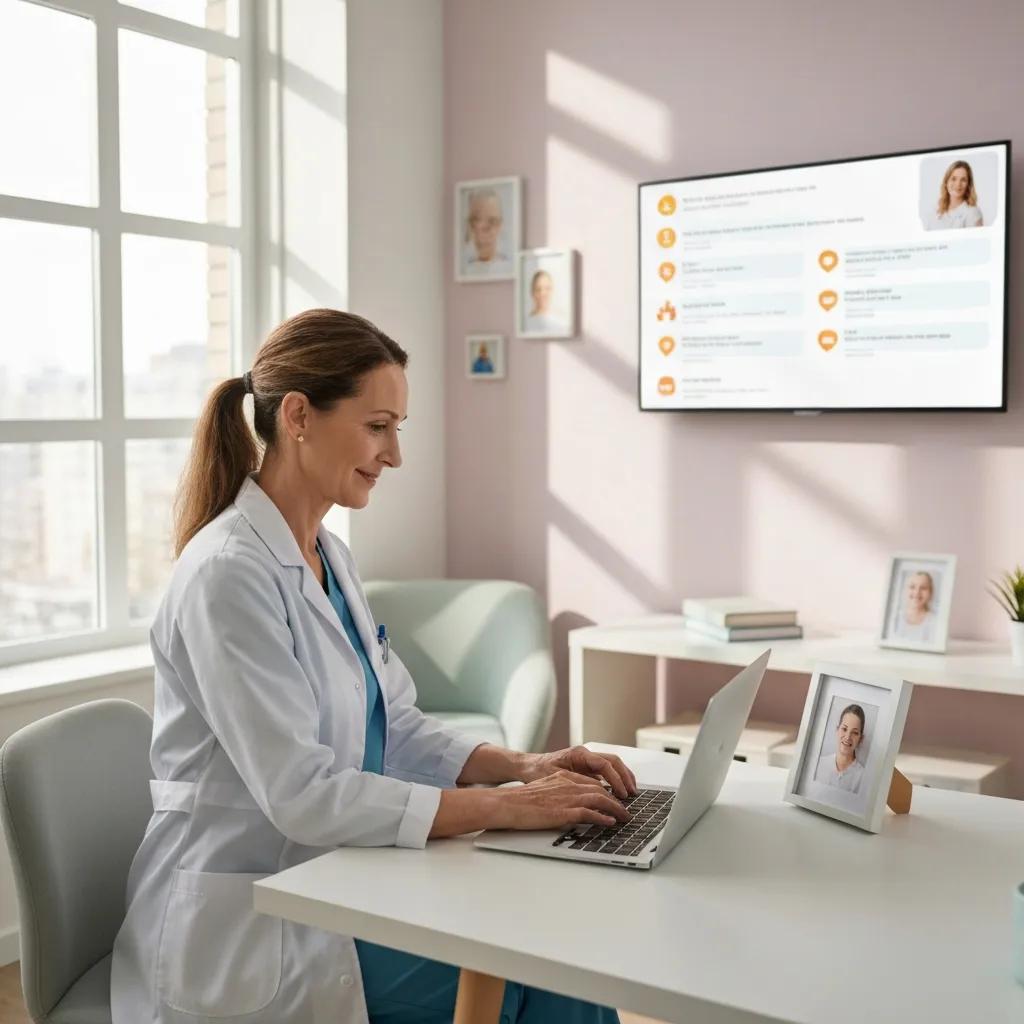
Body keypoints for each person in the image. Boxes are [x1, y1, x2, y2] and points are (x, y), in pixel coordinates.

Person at [110, 308, 632, 1024]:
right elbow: (302, 794)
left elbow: (401, 729)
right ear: (298, 416)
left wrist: (528, 766)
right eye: (378, 425)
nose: (395, 455)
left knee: (567, 968)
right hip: (258, 913)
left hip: (337, 878)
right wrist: (504, 808)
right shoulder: (227, 575)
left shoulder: (327, 555)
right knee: (528, 981)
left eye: (398, 429)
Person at [814, 704, 867, 794]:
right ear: (837, 730)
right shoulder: (818, 764)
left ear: (861, 739)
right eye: (844, 729)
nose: (848, 737)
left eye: (854, 733)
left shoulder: (863, 777)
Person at [462, 187, 510, 273]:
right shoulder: (466, 268)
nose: (482, 233)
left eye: (492, 221)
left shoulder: (506, 267)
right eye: (475, 221)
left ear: (500, 225)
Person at [925, 160, 983, 229]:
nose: (958, 184)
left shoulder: (973, 212)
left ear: (968, 185)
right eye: (953, 179)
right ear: (946, 182)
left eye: (963, 180)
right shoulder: (936, 209)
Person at [892, 569, 936, 642]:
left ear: (930, 593)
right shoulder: (896, 617)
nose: (917, 592)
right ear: (905, 590)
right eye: (912, 587)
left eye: (923, 588)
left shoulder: (934, 622)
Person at [524, 269, 564, 334]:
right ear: (532, 292)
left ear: (552, 290)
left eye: (547, 288)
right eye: (538, 289)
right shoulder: (524, 324)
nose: (543, 293)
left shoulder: (561, 323)